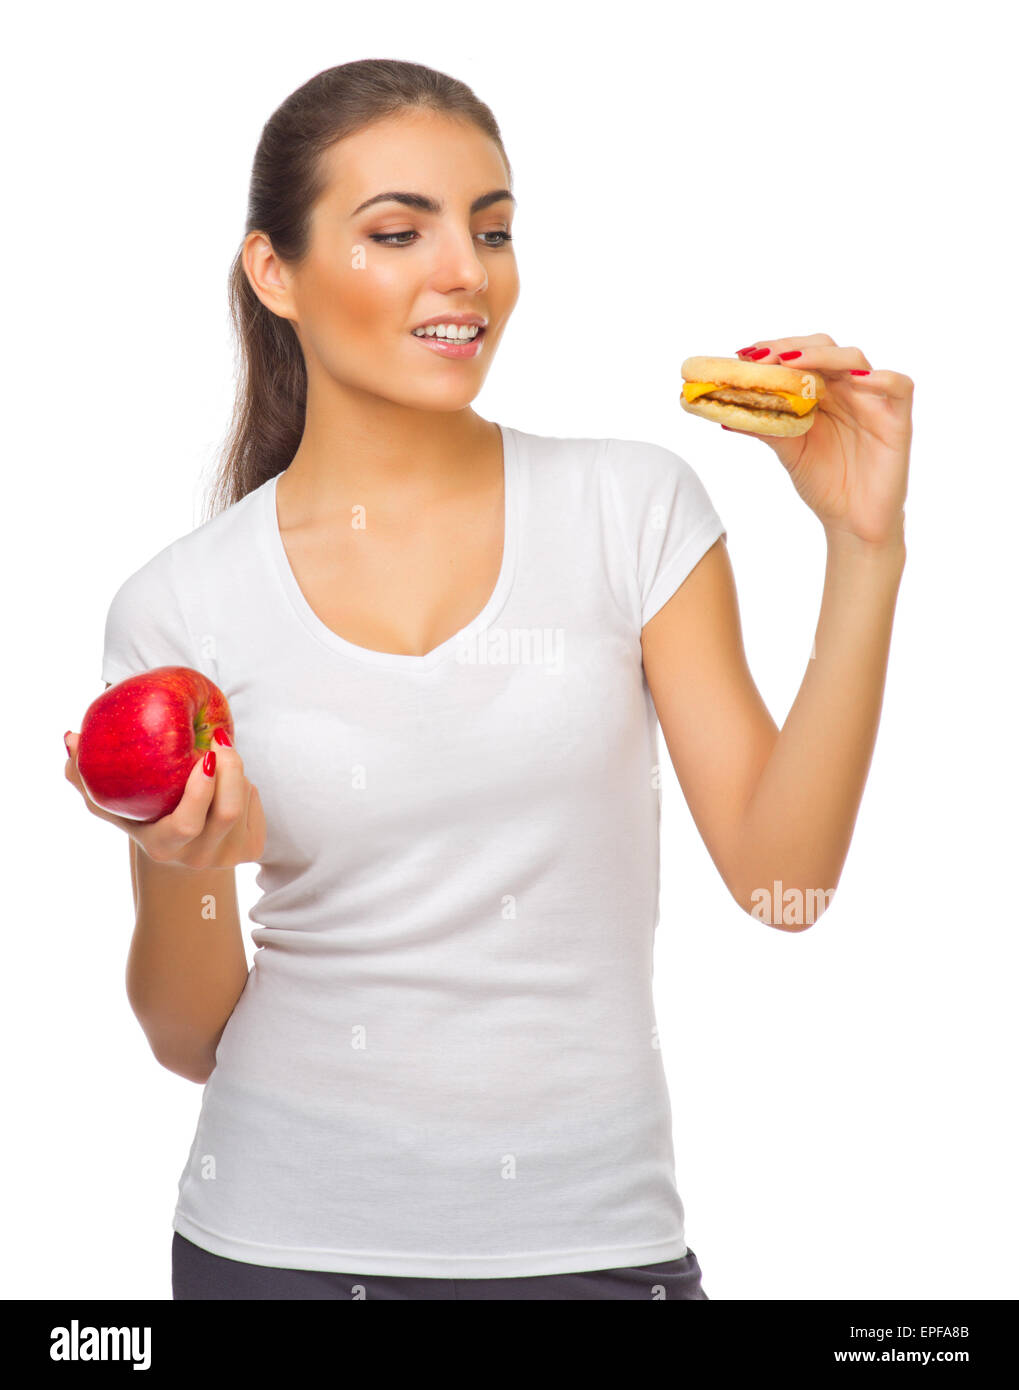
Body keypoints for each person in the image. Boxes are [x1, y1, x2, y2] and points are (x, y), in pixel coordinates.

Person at [63, 58, 912, 1301]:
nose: (465, 269)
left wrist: (863, 548)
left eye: (493, 227)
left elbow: (782, 886)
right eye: (397, 231)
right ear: (274, 273)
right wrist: (195, 872)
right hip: (276, 1252)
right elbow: (185, 1037)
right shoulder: (177, 605)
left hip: (593, 1250)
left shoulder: (632, 509)